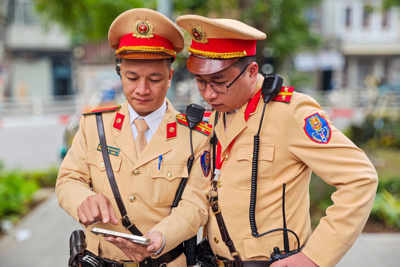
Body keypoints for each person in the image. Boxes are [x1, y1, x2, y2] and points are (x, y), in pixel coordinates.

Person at [176, 15, 378, 267]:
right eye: (201, 82)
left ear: (251, 72)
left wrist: (315, 257)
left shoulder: (290, 112)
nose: (208, 93)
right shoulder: (213, 116)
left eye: (219, 82)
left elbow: (359, 177)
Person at [57, 9, 212, 267]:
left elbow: (195, 204)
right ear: (120, 72)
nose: (142, 89)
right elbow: (68, 180)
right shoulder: (95, 126)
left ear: (170, 77)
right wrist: (82, 199)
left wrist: (160, 238)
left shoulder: (194, 136)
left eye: (154, 79)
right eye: (132, 78)